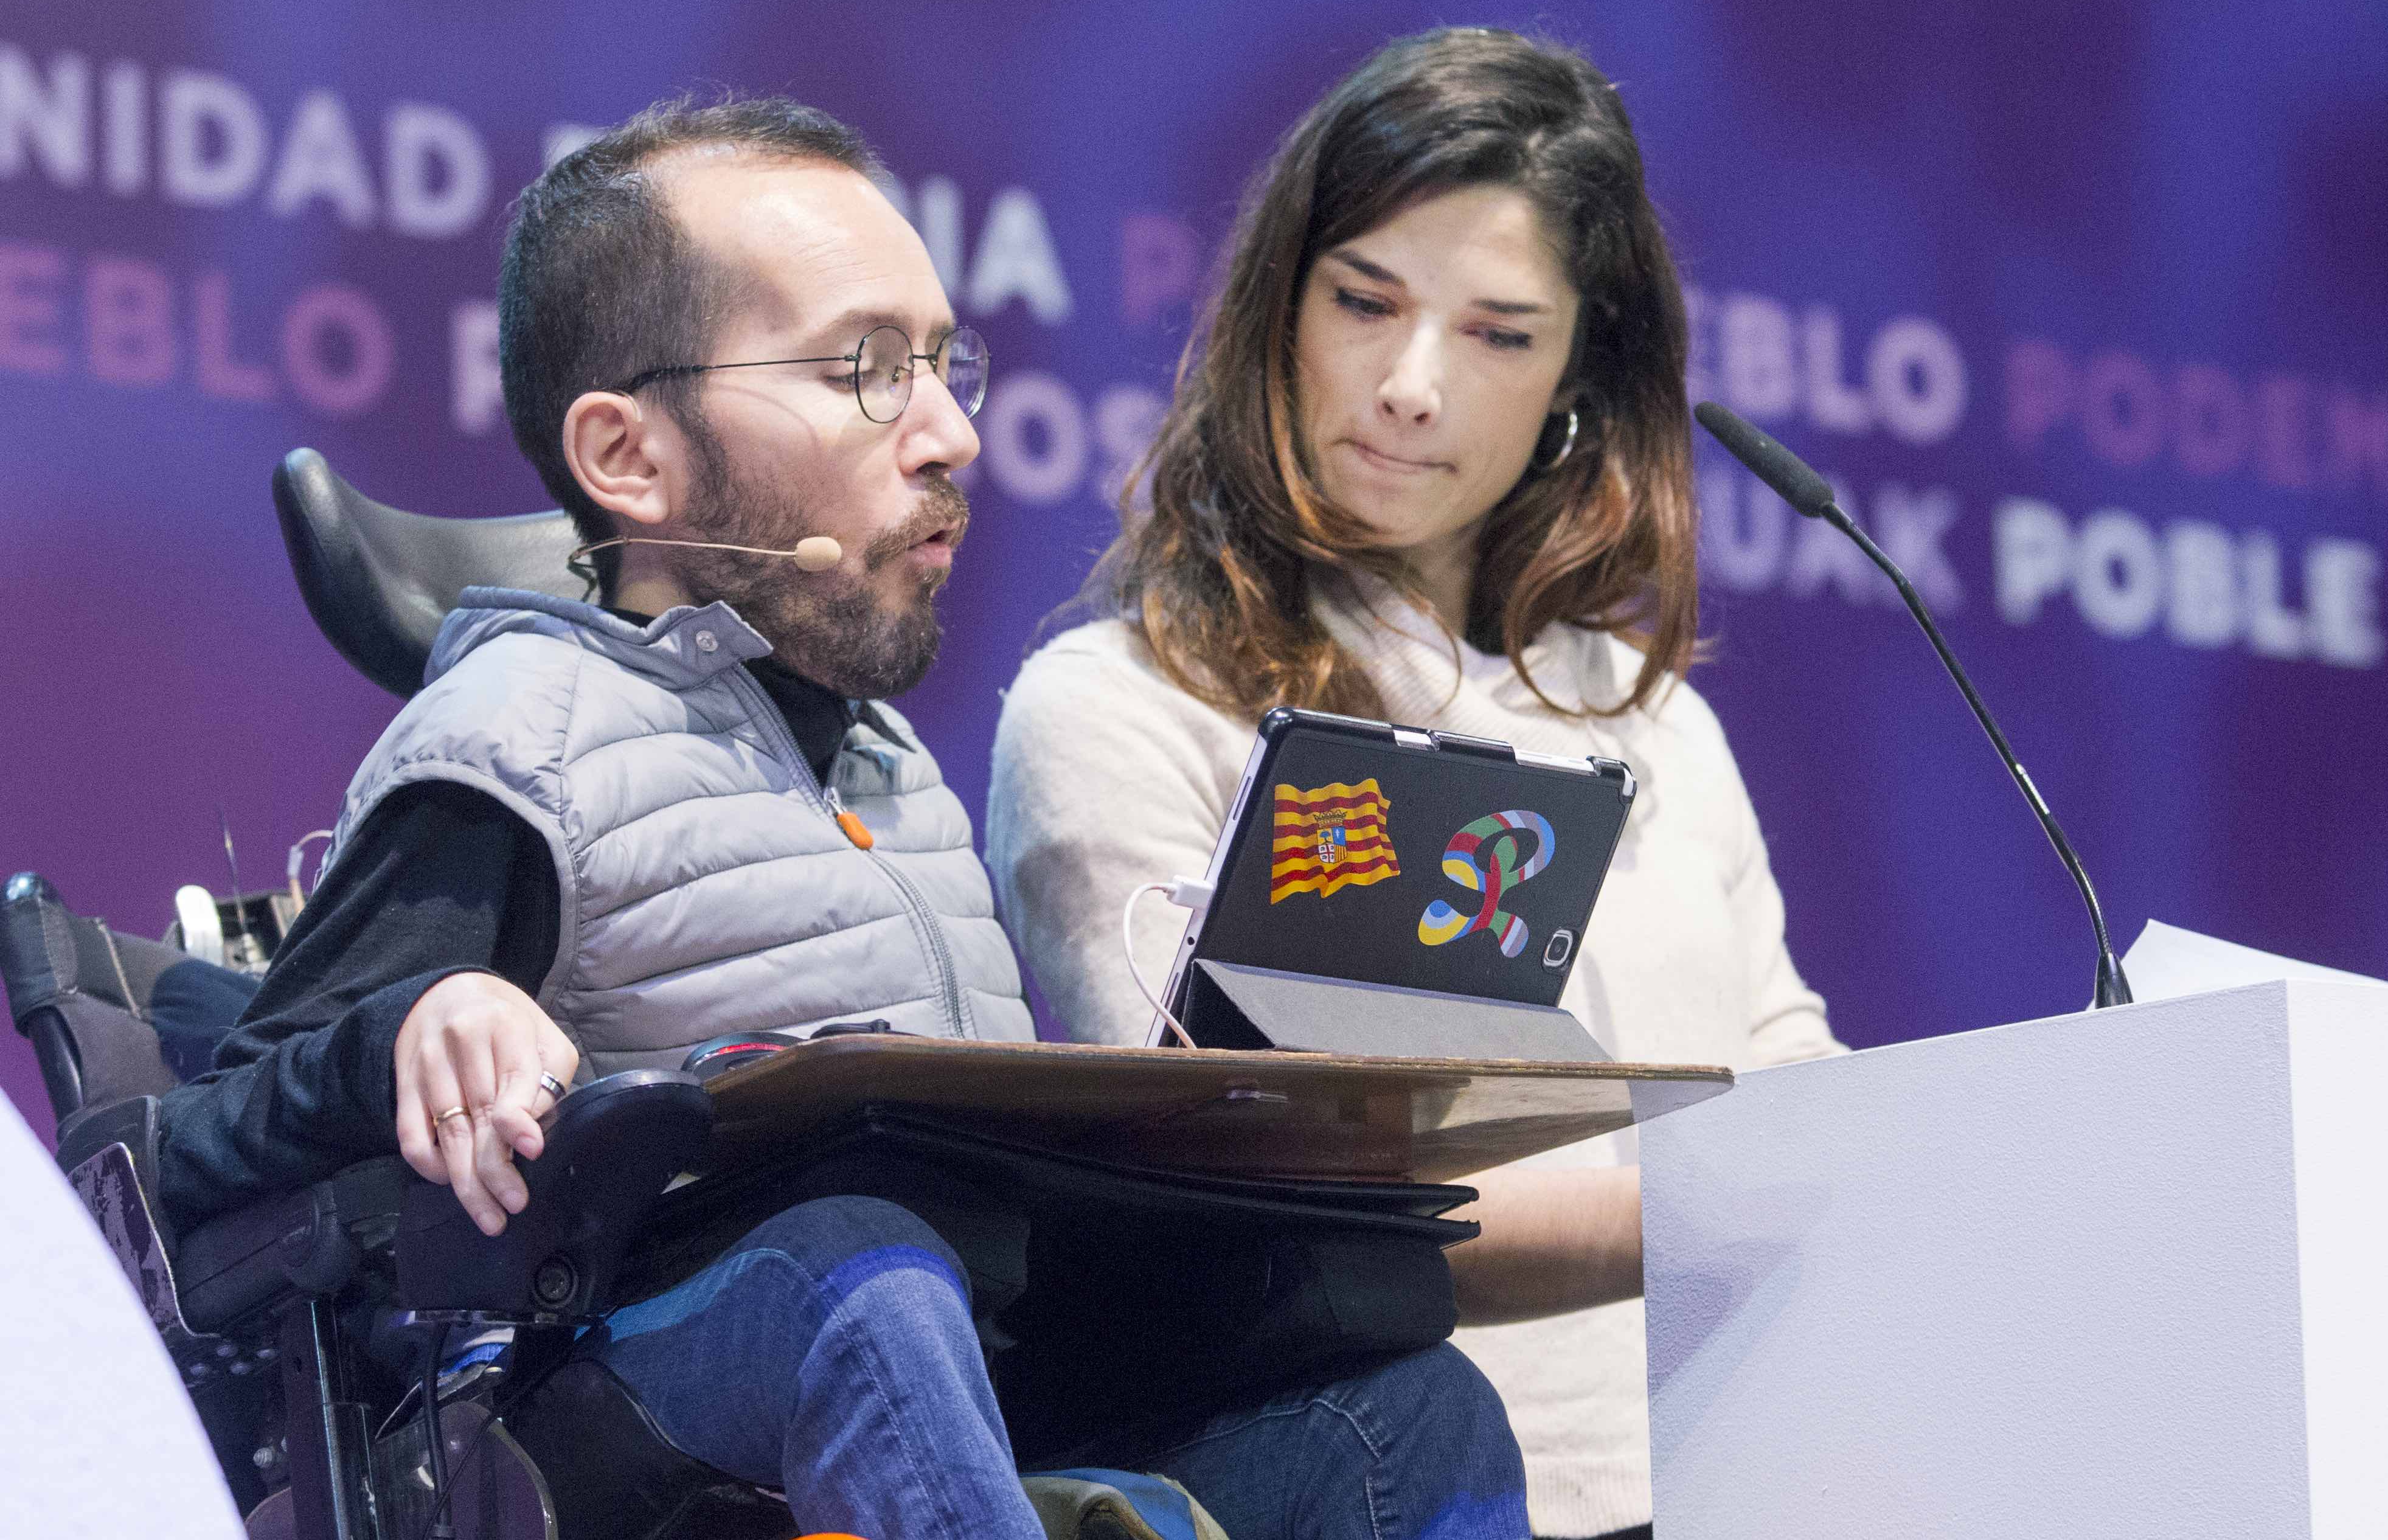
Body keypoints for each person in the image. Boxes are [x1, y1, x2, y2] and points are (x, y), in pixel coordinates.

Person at [152, 94, 1527, 1540]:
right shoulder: (520, 736)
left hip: (970, 1365)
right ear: (630, 456)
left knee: (1406, 1409)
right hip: (632, 1390)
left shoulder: (884, 766)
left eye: (946, 365)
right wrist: (413, 1024)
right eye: (869, 369)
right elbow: (198, 1139)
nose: (949, 435)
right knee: (862, 1281)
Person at [986, 27, 1844, 1540]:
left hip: (1766, 1471)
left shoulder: (1646, 716)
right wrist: (1774, 1193)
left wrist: (1900, 1154)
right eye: (1362, 302)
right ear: (1277, 312)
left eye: (1499, 334)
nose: (1407, 385)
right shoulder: (1120, 708)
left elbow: (1800, 1073)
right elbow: (1266, 1204)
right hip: (1405, 1489)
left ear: (1582, 374)